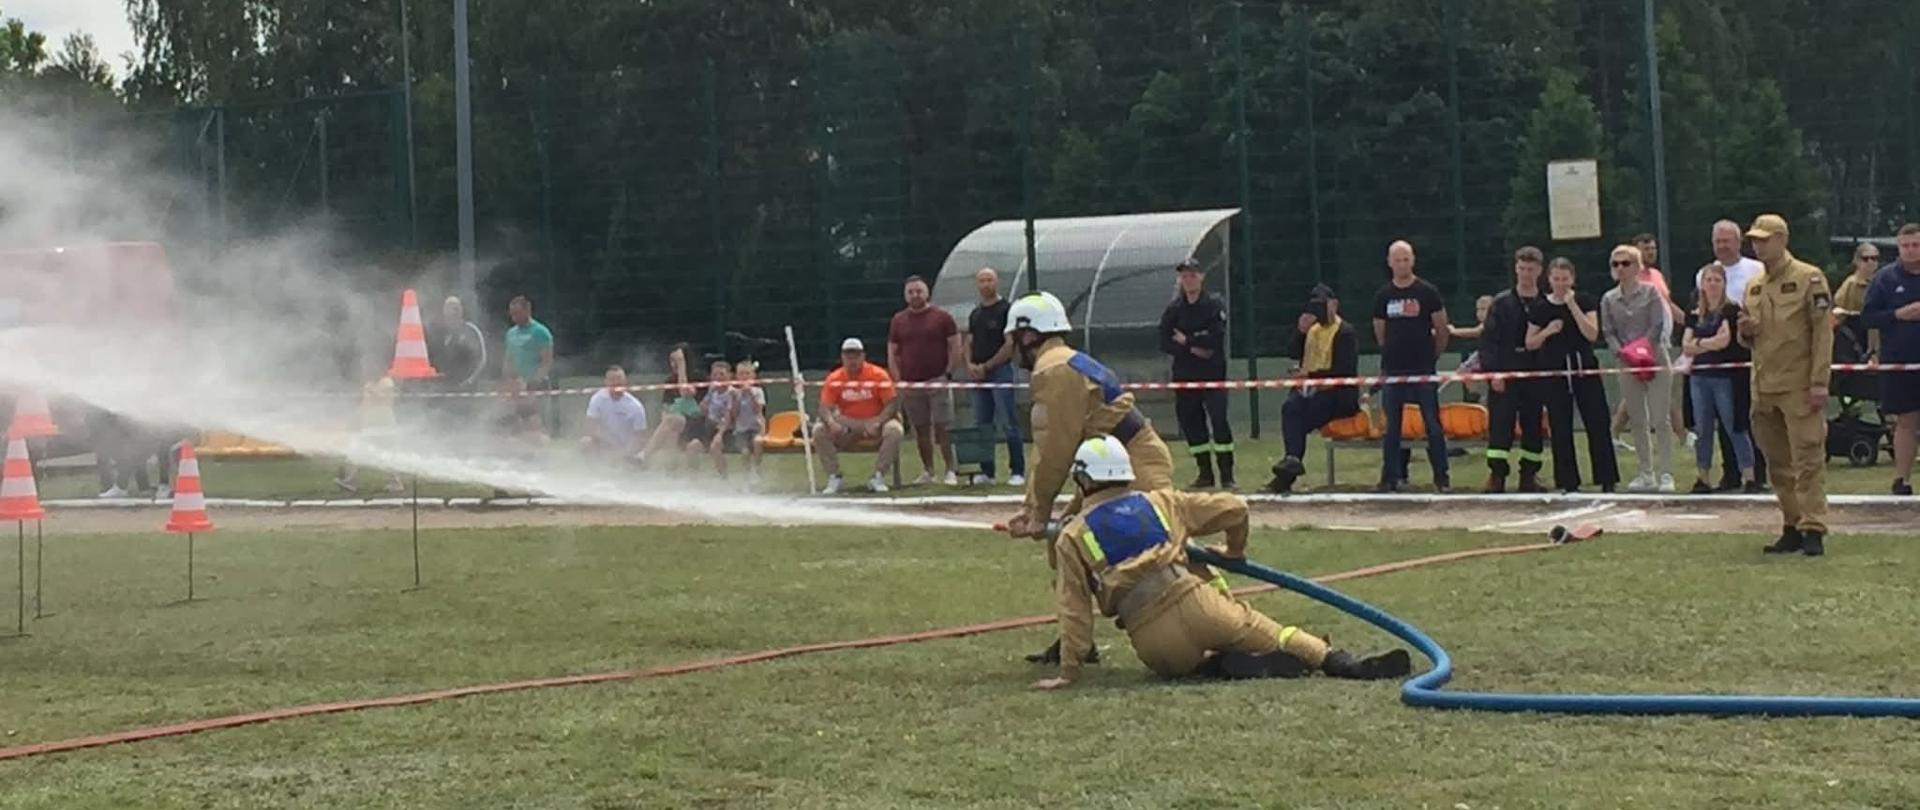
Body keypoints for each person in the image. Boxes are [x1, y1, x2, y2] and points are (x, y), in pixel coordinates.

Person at [1028, 434, 1413, 691]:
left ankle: (1213, 666)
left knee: (1177, 667)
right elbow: (1234, 507)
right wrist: (1234, 551)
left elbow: (1074, 610)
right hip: (1200, 604)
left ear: (1081, 482)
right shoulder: (1161, 502)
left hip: (1152, 639)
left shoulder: (1072, 535)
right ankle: (1340, 662)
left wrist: (1069, 672)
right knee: (1278, 634)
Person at [999, 290, 1176, 665]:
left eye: (1012, 338)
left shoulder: (1053, 370)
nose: (1010, 349)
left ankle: (1217, 619)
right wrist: (1033, 507)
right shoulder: (1063, 361)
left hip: (1130, 463)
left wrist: (1038, 510)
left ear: (1028, 336)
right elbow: (1054, 450)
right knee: (1065, 540)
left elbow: (1055, 451)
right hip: (1116, 463)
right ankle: (1074, 639)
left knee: (1166, 552)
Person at [1738, 214, 1835, 556]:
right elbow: (1752, 338)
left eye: (1764, 239)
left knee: (1808, 458)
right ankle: (1791, 523)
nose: (1758, 245)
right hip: (1764, 386)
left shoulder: (1809, 279)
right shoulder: (1754, 286)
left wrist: (1819, 382)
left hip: (1798, 383)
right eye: (1754, 239)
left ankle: (1813, 527)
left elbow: (1822, 333)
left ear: (1782, 239)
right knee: (1777, 463)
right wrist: (1745, 332)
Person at [1528, 257, 1619, 493]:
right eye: (1556, 279)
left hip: (1583, 366)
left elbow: (1591, 333)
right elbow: (1530, 343)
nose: (1560, 284)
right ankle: (1568, 481)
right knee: (1560, 426)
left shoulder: (1584, 300)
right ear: (1549, 279)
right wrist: (1548, 331)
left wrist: (1572, 307)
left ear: (1572, 279)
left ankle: (1606, 478)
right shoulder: (1540, 307)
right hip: (1556, 370)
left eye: (1565, 279)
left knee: (1597, 422)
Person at [1265, 284, 1360, 494]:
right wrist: (1299, 332)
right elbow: (1291, 351)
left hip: (1337, 395)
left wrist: (1311, 376)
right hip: (1311, 391)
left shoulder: (1345, 332)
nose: (1317, 311)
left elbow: (1343, 371)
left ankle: (1288, 471)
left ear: (1334, 305)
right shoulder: (1312, 330)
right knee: (1290, 407)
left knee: (1300, 416)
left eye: (1322, 305)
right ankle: (1292, 460)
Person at [1372, 240, 1451, 493]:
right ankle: (1390, 478)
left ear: (1413, 261)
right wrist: (1389, 356)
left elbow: (1441, 328)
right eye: (1397, 259)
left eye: (1406, 259)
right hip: (1394, 371)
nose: (1402, 264)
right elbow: (1380, 331)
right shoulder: (1383, 295)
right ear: (1389, 262)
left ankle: (1441, 477)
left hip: (1423, 369)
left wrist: (1432, 356)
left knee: (1432, 424)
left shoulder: (1427, 292)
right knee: (1392, 426)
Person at [1701, 220, 1770, 490]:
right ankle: (1730, 473)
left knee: (1746, 417)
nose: (1722, 246)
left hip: (1747, 351)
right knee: (1722, 420)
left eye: (1727, 240)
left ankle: (1757, 473)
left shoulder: (1756, 269)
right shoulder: (1705, 272)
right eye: (1717, 241)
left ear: (1738, 241)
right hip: (1717, 360)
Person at [1601, 244, 1676, 493]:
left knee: (1660, 418)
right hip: (1626, 362)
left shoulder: (1651, 292)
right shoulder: (1609, 299)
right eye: (1616, 264)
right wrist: (1622, 353)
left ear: (1637, 266)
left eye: (1626, 263)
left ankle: (1667, 473)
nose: (1620, 269)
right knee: (1637, 418)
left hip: (1654, 358)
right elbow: (1608, 331)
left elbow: (1657, 325)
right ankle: (1646, 473)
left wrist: (1642, 350)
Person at [1158, 258, 1235, 490]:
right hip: (1184, 375)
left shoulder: (1213, 305)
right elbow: (1164, 341)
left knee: (1219, 422)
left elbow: (1215, 338)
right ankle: (1204, 474)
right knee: (1192, 424)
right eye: (1184, 276)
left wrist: (1187, 340)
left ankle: (1227, 475)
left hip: (1212, 375)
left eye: (1192, 275)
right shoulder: (1174, 309)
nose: (1188, 280)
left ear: (1201, 277)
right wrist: (1193, 347)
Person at [1681, 263, 1758, 494]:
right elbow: (1685, 346)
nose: (1712, 284)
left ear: (1724, 284)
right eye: (1708, 280)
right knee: (1702, 429)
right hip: (1699, 378)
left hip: (1725, 378)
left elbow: (1724, 340)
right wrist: (1706, 344)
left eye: (1717, 280)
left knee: (1734, 427)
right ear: (1701, 285)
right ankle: (1702, 476)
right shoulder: (1694, 313)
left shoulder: (1731, 311)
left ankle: (1750, 476)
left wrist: (1699, 344)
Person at [1481, 247, 1550, 493]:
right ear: (1515, 269)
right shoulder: (1501, 304)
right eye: (1521, 269)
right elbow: (1489, 342)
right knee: (1500, 426)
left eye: (1531, 269)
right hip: (1506, 375)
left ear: (1540, 271)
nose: (1525, 274)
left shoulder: (1546, 302)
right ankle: (1497, 475)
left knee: (1534, 427)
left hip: (1535, 375)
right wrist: (1494, 373)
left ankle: (1529, 476)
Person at [1860, 223, 1920, 496]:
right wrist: (1899, 315)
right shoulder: (1884, 279)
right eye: (1905, 245)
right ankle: (1901, 479)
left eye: (1916, 245)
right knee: (1905, 421)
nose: (1910, 250)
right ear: (1898, 247)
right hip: (1899, 361)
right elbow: (1868, 317)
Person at [888, 275, 963, 486]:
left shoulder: (942, 317)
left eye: (918, 291)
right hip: (911, 384)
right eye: (910, 292)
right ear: (905, 295)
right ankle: (929, 471)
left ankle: (950, 470)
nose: (915, 295)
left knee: (943, 427)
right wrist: (898, 379)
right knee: (921, 429)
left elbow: (955, 345)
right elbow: (893, 351)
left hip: (937, 380)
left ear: (926, 292)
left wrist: (948, 374)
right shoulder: (898, 320)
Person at [814, 338, 905, 494]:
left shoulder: (878, 374)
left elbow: (891, 403)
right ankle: (834, 476)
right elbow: (824, 407)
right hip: (847, 423)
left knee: (895, 430)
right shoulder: (834, 378)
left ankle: (878, 476)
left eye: (856, 355)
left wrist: (878, 421)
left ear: (863, 356)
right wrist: (831, 422)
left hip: (875, 420)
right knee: (819, 430)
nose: (852, 360)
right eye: (848, 356)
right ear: (842, 357)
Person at [963, 267, 1026, 486]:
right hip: (978, 376)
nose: (985, 284)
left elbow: (1009, 345)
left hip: (1001, 372)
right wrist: (970, 365)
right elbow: (968, 342)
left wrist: (987, 366)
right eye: (981, 280)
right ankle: (987, 472)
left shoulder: (1007, 310)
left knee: (1009, 422)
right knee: (982, 423)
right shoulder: (975, 313)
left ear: (996, 282)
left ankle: (1017, 471)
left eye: (989, 280)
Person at [335, 375, 407, 495]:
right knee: (356, 454)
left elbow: (385, 398)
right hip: (369, 428)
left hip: (386, 429)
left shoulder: (387, 382)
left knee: (388, 458)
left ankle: (395, 483)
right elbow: (364, 407)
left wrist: (371, 390)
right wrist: (354, 423)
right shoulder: (368, 387)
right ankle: (350, 482)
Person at [501, 294, 555, 437]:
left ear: (528, 310)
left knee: (537, 424)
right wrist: (508, 379)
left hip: (536, 386)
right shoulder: (511, 333)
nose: (514, 318)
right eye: (512, 314)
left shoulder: (541, 332)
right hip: (517, 387)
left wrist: (534, 382)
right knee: (516, 423)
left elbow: (546, 362)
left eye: (517, 313)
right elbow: (508, 359)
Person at [431, 296, 488, 421]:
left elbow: (482, 359)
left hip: (466, 392)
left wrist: (469, 382)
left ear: (461, 311)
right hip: (446, 391)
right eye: (448, 309)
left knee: (465, 424)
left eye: (455, 309)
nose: (451, 313)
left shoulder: (471, 331)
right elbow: (436, 360)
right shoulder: (441, 333)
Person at [580, 365, 649, 463]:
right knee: (586, 442)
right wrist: (608, 443)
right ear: (606, 382)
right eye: (612, 380)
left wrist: (625, 454)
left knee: (638, 459)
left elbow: (640, 438)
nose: (616, 383)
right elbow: (589, 427)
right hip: (604, 447)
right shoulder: (598, 399)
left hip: (628, 451)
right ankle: (593, 473)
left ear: (625, 382)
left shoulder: (635, 406)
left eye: (619, 380)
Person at [1834, 241, 1884, 359]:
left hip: (1878, 337)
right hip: (1854, 336)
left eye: (1874, 258)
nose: (1870, 262)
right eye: (1865, 258)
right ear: (1856, 261)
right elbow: (1838, 310)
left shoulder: (1883, 282)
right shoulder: (1851, 283)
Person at [690, 360, 737, 477]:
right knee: (692, 446)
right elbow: (701, 410)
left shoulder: (732, 393)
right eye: (715, 375)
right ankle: (694, 477)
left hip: (726, 430)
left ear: (730, 376)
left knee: (715, 447)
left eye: (722, 374)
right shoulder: (712, 391)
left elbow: (729, 416)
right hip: (709, 427)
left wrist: (719, 435)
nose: (718, 378)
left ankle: (724, 477)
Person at [730, 360, 768, 487]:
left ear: (753, 376)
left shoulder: (758, 391)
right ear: (736, 377)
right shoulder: (734, 393)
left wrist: (750, 394)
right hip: (741, 430)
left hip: (756, 427)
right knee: (745, 452)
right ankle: (746, 476)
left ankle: (755, 470)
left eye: (747, 374)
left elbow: (758, 410)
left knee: (757, 442)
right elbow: (734, 414)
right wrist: (736, 398)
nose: (744, 377)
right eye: (741, 374)